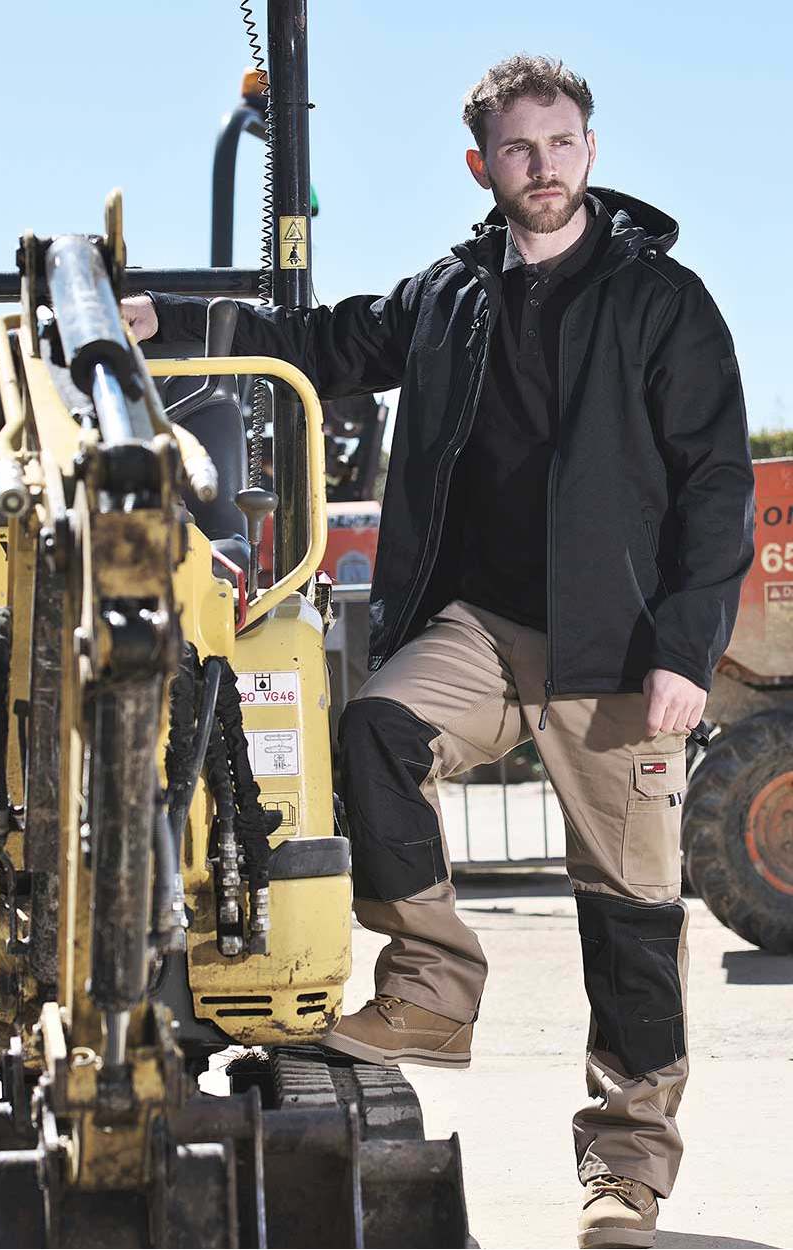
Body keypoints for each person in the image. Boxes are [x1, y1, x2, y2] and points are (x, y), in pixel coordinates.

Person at [121, 55, 754, 1250]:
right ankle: (430, 988)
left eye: (562, 142)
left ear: (591, 151)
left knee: (628, 918)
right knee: (372, 728)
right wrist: (170, 321)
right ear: (483, 164)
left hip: (615, 648)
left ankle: (624, 1173)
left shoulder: (663, 301)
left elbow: (716, 482)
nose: (544, 166)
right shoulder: (452, 293)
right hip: (484, 624)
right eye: (520, 149)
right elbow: (321, 341)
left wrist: (685, 644)